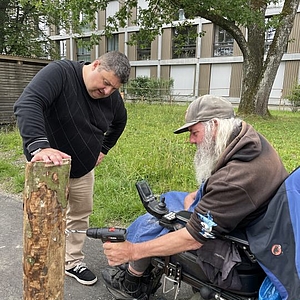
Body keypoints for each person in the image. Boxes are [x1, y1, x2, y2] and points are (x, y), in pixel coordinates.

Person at [101, 94, 289, 300]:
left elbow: (193, 238)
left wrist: (132, 251)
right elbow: (220, 188)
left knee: (161, 217)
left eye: (194, 132)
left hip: (242, 241)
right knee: (172, 198)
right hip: (258, 223)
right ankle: (137, 269)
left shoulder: (234, 179)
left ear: (215, 125)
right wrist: (201, 194)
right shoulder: (250, 140)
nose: (191, 140)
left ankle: (133, 281)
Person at [14, 51, 131, 286]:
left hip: (83, 169)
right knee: (42, 217)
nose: (107, 92)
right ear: (96, 64)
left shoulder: (111, 96)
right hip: (46, 168)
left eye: (113, 88)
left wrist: (104, 149)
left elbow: (120, 121)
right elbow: (28, 102)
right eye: (106, 83)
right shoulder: (61, 73)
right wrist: (39, 146)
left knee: (79, 215)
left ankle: (72, 261)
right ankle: (39, 261)